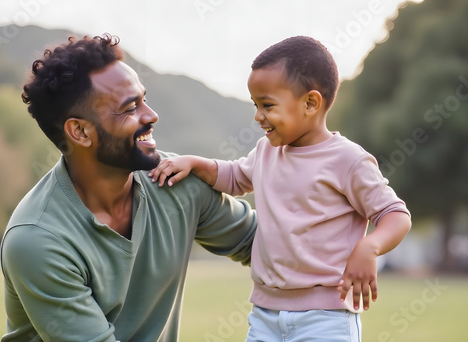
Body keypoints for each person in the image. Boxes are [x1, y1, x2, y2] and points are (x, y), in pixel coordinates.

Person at [150, 36, 412, 341]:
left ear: (310, 103)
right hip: (265, 314)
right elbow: (234, 177)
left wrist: (369, 247)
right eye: (255, 105)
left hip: (326, 318)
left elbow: (395, 215)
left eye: (267, 105)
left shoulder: (348, 160)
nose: (258, 116)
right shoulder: (266, 151)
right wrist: (196, 163)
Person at [1, 34, 257, 342]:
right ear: (80, 131)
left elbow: (264, 245)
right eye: (129, 107)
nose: (151, 115)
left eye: (144, 99)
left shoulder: (176, 181)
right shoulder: (38, 239)